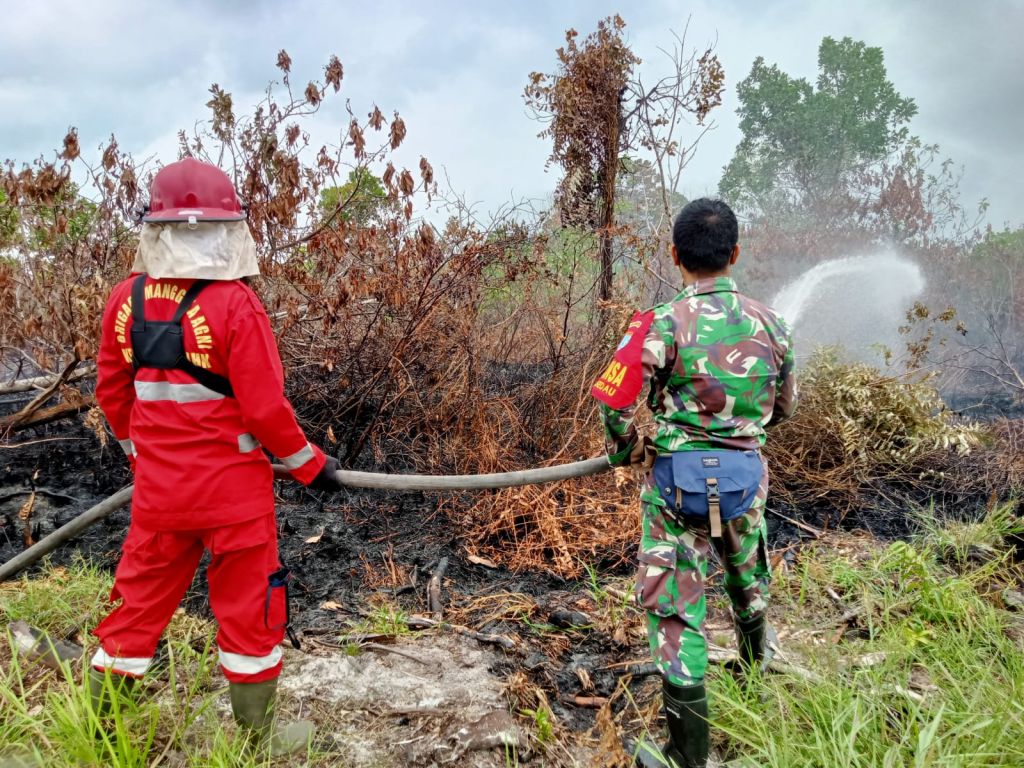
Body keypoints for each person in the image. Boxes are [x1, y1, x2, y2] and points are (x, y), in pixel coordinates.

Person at [91, 158, 344, 754]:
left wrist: (143, 458)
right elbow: (263, 410)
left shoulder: (124, 301)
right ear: (229, 228)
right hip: (234, 499)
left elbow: (112, 392)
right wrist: (311, 464)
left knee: (137, 608)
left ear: (155, 227)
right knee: (249, 614)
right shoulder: (236, 307)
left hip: (159, 499)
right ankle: (257, 743)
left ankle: (103, 736)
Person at [591, 198, 796, 768]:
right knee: (746, 572)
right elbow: (784, 408)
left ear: (675, 255)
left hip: (675, 486)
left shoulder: (657, 323)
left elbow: (614, 399)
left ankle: (686, 757)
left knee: (677, 611)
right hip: (745, 480)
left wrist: (628, 448)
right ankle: (758, 676)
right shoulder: (772, 323)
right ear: (734, 253)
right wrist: (740, 432)